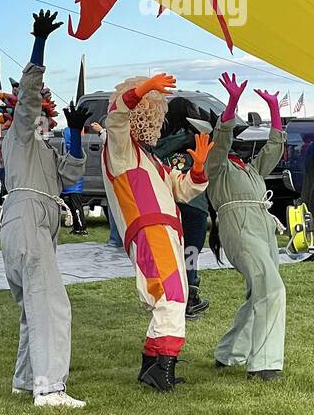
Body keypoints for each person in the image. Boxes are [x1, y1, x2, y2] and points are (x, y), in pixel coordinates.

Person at [0, 10, 90, 408]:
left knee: (31, 307)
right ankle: (50, 389)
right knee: (52, 305)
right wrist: (40, 46)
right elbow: (28, 101)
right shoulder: (18, 138)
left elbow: (71, 175)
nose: (45, 121)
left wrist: (73, 134)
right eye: (46, 118)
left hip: (32, 223)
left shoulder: (44, 151)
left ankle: (25, 380)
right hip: (27, 221)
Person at [102, 72, 212, 393]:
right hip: (150, 230)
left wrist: (198, 168)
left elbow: (181, 189)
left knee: (170, 294)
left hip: (165, 231)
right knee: (172, 295)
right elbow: (117, 116)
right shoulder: (120, 148)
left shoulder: (148, 157)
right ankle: (162, 365)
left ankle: (152, 365)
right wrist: (142, 89)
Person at [207, 74, 287, 380]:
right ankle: (264, 364)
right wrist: (232, 102)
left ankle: (229, 353)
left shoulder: (250, 169)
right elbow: (221, 140)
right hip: (237, 228)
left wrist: (275, 109)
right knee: (273, 288)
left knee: (260, 291)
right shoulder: (215, 165)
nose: (235, 137)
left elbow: (274, 148)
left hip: (262, 226)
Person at [153, 97, 211, 317]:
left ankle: (171, 296)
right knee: (190, 253)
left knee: (172, 253)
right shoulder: (197, 138)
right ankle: (189, 298)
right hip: (194, 205)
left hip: (168, 205)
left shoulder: (158, 141)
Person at [88, 122, 123, 248]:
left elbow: (113, 143)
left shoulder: (119, 135)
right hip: (117, 177)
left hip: (118, 177)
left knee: (115, 207)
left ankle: (116, 241)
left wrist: (101, 131)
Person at [61, 121, 88, 235]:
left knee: (76, 206)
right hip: (74, 184)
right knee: (75, 205)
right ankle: (78, 226)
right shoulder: (75, 151)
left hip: (74, 185)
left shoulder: (74, 152)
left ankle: (80, 227)